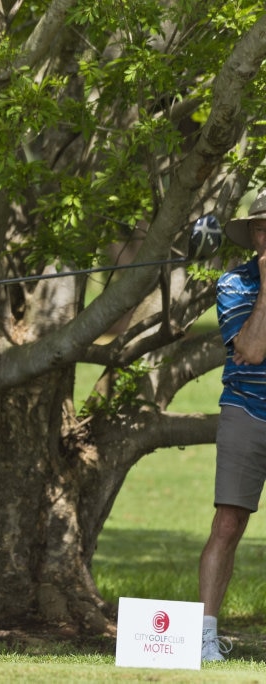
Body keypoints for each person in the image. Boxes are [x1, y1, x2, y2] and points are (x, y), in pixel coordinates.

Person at [199, 191, 266, 662]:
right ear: (253, 235)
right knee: (228, 521)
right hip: (248, 410)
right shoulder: (234, 285)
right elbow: (252, 349)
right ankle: (204, 639)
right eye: (264, 229)